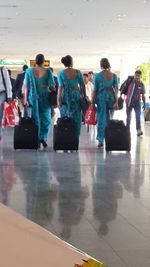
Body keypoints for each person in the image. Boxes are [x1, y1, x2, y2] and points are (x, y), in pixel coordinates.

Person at [23, 54, 55, 149]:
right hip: (45, 96)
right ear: (43, 61)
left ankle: (36, 139)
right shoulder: (48, 71)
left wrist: (25, 100)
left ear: (35, 61)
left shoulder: (29, 71)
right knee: (46, 119)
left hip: (33, 97)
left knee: (35, 118)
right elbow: (52, 86)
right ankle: (43, 138)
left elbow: (26, 87)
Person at [91, 58, 118, 148]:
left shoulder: (97, 76)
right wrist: (116, 102)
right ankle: (110, 138)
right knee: (110, 119)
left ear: (101, 65)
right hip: (111, 99)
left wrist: (92, 102)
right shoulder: (114, 76)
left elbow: (95, 90)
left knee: (101, 119)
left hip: (101, 99)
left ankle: (100, 140)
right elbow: (116, 90)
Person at [57, 55, 85, 138]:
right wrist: (83, 95)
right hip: (76, 95)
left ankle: (66, 136)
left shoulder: (61, 73)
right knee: (77, 117)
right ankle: (75, 137)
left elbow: (60, 87)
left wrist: (58, 99)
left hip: (65, 96)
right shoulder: (77, 72)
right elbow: (82, 85)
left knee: (65, 116)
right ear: (71, 62)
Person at [121, 70, 145, 136]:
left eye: (138, 76)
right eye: (136, 75)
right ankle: (127, 128)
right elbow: (123, 87)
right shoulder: (130, 81)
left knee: (138, 116)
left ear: (140, 76)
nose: (137, 77)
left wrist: (144, 104)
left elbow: (143, 95)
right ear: (134, 75)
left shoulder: (141, 84)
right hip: (129, 102)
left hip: (137, 103)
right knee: (128, 117)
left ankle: (138, 130)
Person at [0, 67, 12, 140]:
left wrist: (9, 96)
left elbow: (8, 82)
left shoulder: (2, 69)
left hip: (1, 94)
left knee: (0, 115)